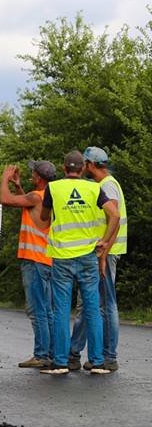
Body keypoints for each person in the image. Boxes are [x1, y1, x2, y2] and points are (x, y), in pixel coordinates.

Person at [36, 151, 118, 375]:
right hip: (88, 257)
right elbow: (115, 215)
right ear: (82, 169)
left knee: (61, 309)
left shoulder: (53, 188)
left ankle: (61, 362)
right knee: (92, 308)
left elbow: (44, 218)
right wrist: (104, 241)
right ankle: (98, 362)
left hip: (62, 257)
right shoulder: (94, 188)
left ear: (64, 169)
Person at [69, 146, 126, 372]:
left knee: (104, 304)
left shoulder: (107, 186)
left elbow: (115, 218)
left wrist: (103, 253)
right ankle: (76, 352)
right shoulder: (105, 185)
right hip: (105, 252)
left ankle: (108, 356)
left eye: (86, 163)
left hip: (107, 252)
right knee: (94, 304)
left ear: (91, 165)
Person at [0, 161, 56, 369]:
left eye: (33, 173)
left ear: (39, 177)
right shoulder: (46, 197)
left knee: (37, 309)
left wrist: (4, 179)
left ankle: (41, 354)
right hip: (47, 260)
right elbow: (30, 208)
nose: (31, 175)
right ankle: (49, 353)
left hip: (34, 260)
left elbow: (5, 200)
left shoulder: (36, 197)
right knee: (47, 310)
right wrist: (18, 186)